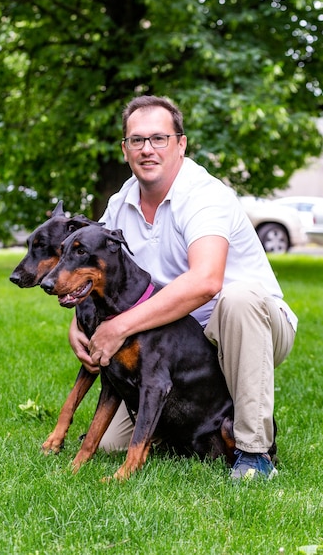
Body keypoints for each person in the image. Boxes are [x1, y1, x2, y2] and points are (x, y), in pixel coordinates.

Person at [69, 95, 297, 480]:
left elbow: (206, 282)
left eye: (159, 138)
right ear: (124, 150)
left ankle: (254, 452)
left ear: (181, 144)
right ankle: (186, 429)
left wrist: (119, 327)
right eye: (136, 140)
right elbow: (95, 273)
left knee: (236, 299)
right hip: (175, 346)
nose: (147, 149)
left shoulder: (205, 195)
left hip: (246, 331)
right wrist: (78, 328)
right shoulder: (120, 203)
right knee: (110, 444)